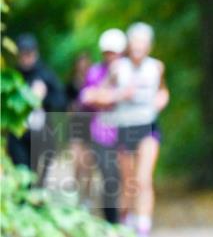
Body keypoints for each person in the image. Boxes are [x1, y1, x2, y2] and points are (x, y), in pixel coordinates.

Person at [102, 22, 169, 237]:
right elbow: (100, 94)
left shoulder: (156, 68)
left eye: (143, 42)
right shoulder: (117, 68)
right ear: (129, 46)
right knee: (129, 183)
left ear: (149, 46)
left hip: (147, 126)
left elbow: (162, 90)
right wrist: (120, 93)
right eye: (135, 42)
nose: (139, 46)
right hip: (124, 127)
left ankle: (143, 230)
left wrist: (161, 99)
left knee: (144, 180)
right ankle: (126, 222)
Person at [78, 29, 128, 224]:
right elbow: (87, 98)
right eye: (107, 52)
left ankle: (128, 219)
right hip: (102, 133)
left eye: (114, 52)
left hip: (127, 131)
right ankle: (112, 222)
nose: (110, 56)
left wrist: (106, 97)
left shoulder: (129, 70)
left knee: (127, 178)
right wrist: (109, 84)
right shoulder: (95, 72)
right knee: (109, 176)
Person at [7, 34, 67, 184]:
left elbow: (61, 102)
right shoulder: (11, 77)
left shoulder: (46, 75)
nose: (26, 58)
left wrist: (43, 97)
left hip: (42, 135)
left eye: (29, 54)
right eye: (23, 54)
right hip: (18, 136)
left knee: (39, 178)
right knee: (22, 174)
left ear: (35, 53)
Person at [66, 50, 95, 204]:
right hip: (76, 126)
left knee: (88, 164)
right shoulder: (71, 84)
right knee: (77, 162)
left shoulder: (93, 81)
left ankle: (87, 198)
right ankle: (76, 196)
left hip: (90, 126)